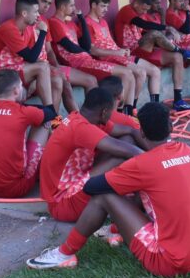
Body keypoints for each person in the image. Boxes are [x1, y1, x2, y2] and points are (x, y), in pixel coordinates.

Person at [27, 102, 190, 276]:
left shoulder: (140, 162)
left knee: (103, 197)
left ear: (142, 133)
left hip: (172, 262)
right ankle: (113, 228)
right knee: (145, 190)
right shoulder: (187, 150)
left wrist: (124, 174)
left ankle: (64, 253)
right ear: (171, 127)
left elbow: (92, 187)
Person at [39, 88, 145, 222]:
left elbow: (129, 131)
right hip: (63, 203)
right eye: (112, 111)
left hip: (77, 184)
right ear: (104, 112)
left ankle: (139, 195)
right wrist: (162, 162)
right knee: (122, 154)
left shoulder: (84, 118)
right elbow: (129, 151)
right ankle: (138, 204)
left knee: (127, 141)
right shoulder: (80, 127)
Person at [49, 0, 141, 115]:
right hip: (75, 62)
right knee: (124, 73)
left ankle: (123, 113)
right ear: (62, 7)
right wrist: (87, 51)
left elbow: (86, 43)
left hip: (86, 60)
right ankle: (112, 116)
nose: (74, 8)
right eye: (71, 5)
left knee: (124, 74)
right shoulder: (54, 22)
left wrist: (81, 18)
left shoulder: (70, 23)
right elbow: (69, 46)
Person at [114, 0, 190, 112]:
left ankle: (176, 100)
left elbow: (146, 31)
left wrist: (168, 35)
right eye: (143, 9)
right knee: (155, 34)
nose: (144, 12)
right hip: (130, 51)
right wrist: (166, 28)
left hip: (143, 49)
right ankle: (182, 51)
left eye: (146, 10)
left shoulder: (140, 12)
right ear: (136, 3)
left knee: (176, 57)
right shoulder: (126, 10)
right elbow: (143, 24)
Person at [0, 0, 62, 119]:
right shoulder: (8, 29)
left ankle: (52, 126)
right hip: (1, 74)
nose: (38, 15)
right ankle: (51, 114)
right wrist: (43, 32)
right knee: (42, 67)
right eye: (36, 12)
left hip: (18, 69)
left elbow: (32, 56)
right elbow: (31, 58)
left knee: (56, 81)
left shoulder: (27, 28)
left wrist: (50, 69)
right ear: (25, 14)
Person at [84, 0, 163, 108]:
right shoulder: (86, 22)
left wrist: (121, 50)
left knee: (155, 71)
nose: (106, 9)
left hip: (119, 54)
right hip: (108, 58)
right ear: (93, 5)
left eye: (107, 6)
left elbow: (110, 43)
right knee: (140, 73)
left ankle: (151, 107)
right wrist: (117, 52)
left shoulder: (103, 21)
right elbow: (93, 51)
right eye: (102, 6)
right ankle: (128, 109)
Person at [0, 69, 52, 198]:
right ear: (16, 91)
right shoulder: (22, 112)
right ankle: (51, 169)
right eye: (21, 86)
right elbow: (50, 113)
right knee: (47, 122)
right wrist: (62, 122)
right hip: (15, 189)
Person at [34, 0, 96, 111]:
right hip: (38, 67)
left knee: (84, 81)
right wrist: (86, 52)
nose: (46, 6)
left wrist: (56, 67)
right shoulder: (45, 21)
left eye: (49, 3)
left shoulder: (45, 21)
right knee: (61, 83)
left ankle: (81, 123)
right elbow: (68, 46)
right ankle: (55, 122)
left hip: (49, 65)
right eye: (43, 1)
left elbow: (49, 50)